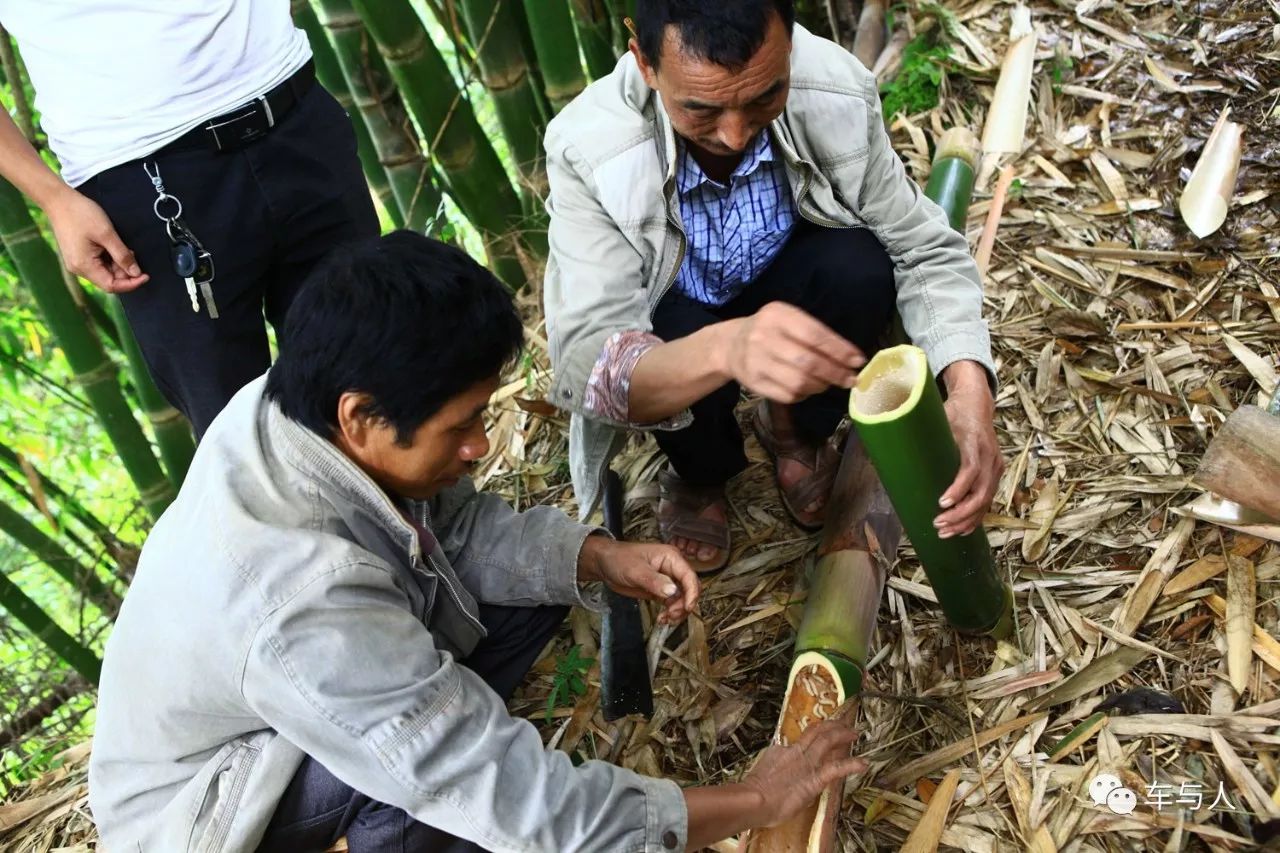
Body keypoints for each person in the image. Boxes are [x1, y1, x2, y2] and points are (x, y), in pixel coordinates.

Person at [87, 231, 868, 853]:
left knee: (532, 587)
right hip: (213, 807)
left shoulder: (301, 399)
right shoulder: (299, 601)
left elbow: (452, 528)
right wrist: (754, 800)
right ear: (360, 418)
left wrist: (596, 557)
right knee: (427, 801)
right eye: (459, 426)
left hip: (318, 671)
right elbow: (499, 790)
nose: (480, 448)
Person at [542, 0, 1002, 571]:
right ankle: (700, 472)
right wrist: (728, 346)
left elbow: (922, 243)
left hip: (784, 276)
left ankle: (796, 428)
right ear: (644, 63)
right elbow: (591, 366)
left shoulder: (830, 85)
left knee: (858, 265)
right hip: (683, 317)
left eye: (764, 96)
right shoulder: (589, 147)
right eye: (701, 109)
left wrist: (968, 390)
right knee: (665, 337)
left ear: (789, 44)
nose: (734, 135)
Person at [0, 0, 379, 437]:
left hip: (295, 109)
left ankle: (427, 508)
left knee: (380, 374)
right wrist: (54, 200)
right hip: (144, 178)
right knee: (238, 436)